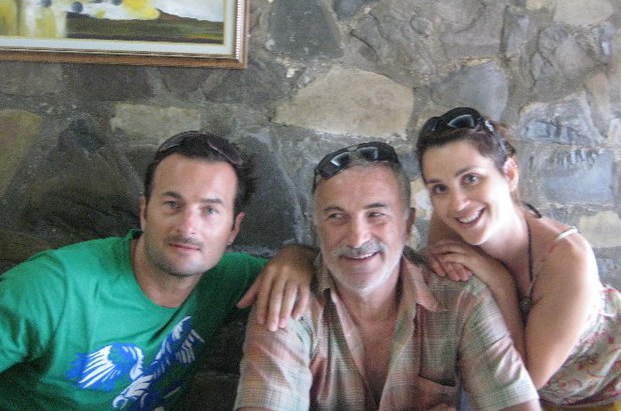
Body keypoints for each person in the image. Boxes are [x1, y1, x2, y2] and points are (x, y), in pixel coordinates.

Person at [0, 131, 313, 410]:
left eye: (210, 210)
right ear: (144, 211)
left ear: (233, 228)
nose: (188, 227)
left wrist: (297, 257)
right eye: (172, 204)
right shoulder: (50, 287)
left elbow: (322, 270)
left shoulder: (232, 279)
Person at [416, 106, 621, 410]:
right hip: (554, 398)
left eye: (471, 178)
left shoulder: (566, 258)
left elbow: (523, 383)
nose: (457, 203)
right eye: (439, 188)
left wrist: (500, 283)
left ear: (509, 174)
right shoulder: (450, 225)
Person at [235, 141, 540, 411]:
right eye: (337, 217)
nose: (357, 238)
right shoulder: (287, 304)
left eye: (376, 215)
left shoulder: (462, 298)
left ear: (407, 225)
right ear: (318, 230)